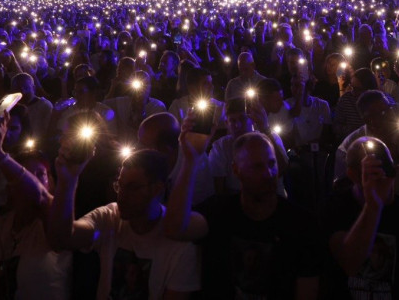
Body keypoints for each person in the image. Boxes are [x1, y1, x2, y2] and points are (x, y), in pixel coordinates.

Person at [165, 127, 321, 299]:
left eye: (271, 164)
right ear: (236, 170)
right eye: (257, 166)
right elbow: (175, 228)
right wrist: (190, 160)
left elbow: (307, 290)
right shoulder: (218, 213)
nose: (268, 174)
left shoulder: (301, 224)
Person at [48, 132, 200, 299]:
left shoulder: (180, 247)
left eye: (132, 187)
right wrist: (68, 180)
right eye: (119, 185)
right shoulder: (110, 216)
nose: (121, 196)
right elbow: (62, 240)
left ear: (157, 189)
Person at [321, 136, 399, 299]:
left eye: (387, 171)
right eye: (371, 174)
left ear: (396, 170)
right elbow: (350, 264)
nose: (381, 181)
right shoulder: (335, 208)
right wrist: (373, 205)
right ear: (353, 175)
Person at [0, 115, 73, 300]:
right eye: (23, 173)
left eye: (39, 174)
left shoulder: (57, 220)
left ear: (50, 182)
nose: (32, 179)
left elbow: (39, 196)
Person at [208, 97, 289, 197]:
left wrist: (266, 130)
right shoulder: (220, 146)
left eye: (242, 119)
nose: (237, 125)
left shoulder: (270, 137)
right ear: (227, 123)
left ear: (252, 119)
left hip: (272, 196)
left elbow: (282, 169)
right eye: (232, 121)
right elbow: (219, 190)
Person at [104, 71, 166, 142]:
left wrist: (141, 108)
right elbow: (102, 106)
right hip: (124, 146)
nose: (142, 88)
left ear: (150, 87)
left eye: (145, 84)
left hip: (146, 148)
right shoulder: (121, 102)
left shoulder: (157, 106)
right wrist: (113, 87)